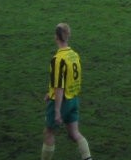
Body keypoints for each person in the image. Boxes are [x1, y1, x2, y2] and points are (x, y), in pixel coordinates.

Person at [41, 23, 92, 160]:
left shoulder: (58, 59)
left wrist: (57, 110)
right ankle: (88, 158)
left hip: (61, 101)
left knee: (49, 132)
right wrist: (49, 92)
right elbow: (70, 79)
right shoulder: (74, 55)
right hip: (74, 99)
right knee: (74, 133)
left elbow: (59, 86)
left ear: (56, 37)